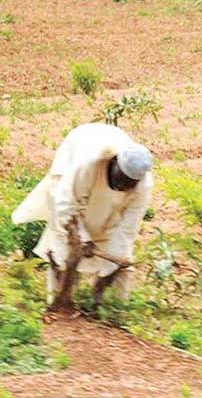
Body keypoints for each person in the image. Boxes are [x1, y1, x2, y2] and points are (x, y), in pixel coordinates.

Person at [11, 123, 154, 309]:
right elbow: (66, 204)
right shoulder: (89, 162)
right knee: (62, 251)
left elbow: (126, 229)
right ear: (113, 163)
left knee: (121, 267)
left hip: (105, 212)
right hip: (72, 179)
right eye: (121, 180)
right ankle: (57, 304)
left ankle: (114, 312)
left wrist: (108, 273)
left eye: (129, 184)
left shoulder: (143, 187)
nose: (123, 187)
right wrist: (82, 239)